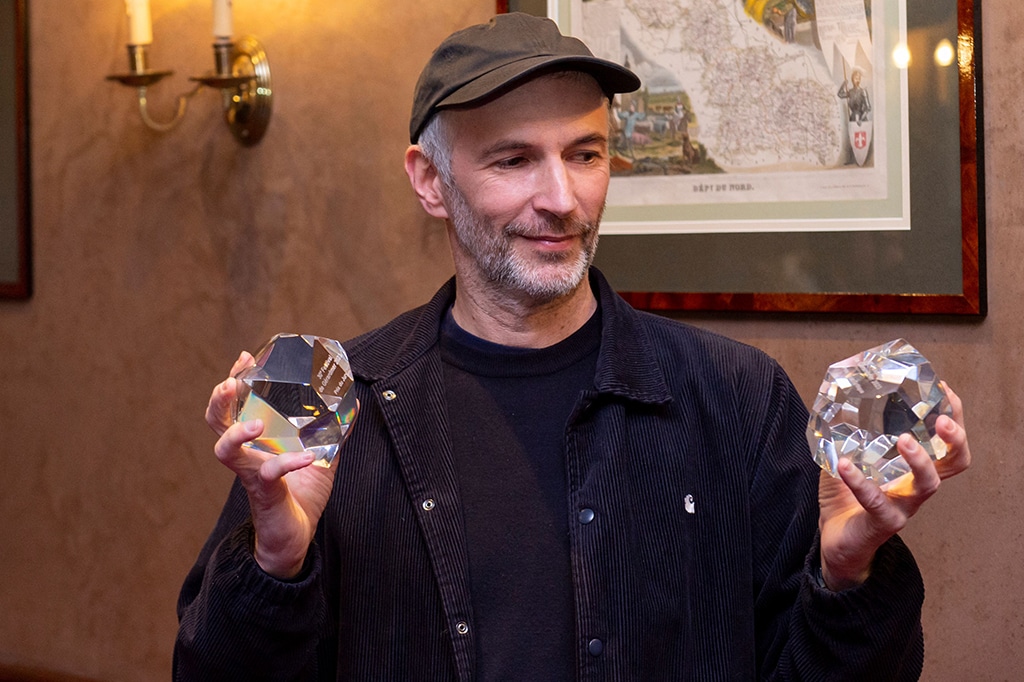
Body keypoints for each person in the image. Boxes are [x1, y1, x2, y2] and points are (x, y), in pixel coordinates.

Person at [174, 13, 971, 681]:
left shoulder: (738, 399)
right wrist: (276, 562)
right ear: (428, 180)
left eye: (585, 154)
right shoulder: (328, 413)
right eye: (514, 159)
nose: (561, 200)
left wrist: (848, 572)